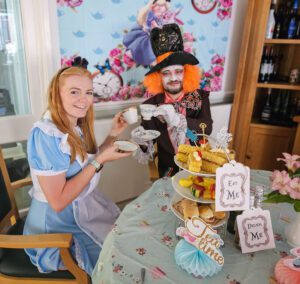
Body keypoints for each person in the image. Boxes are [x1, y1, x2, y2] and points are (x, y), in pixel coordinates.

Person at [23, 58, 131, 276]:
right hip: (54, 227)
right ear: (56, 95)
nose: (84, 100)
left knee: (125, 242)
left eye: (89, 92)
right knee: (116, 263)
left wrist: (113, 134)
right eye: (74, 92)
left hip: (77, 210)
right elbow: (58, 201)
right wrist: (100, 162)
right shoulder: (46, 134)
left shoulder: (72, 123)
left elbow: (84, 164)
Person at [132, 23, 213, 177]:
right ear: (158, 77)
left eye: (178, 71)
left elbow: (206, 128)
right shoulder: (150, 106)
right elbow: (148, 142)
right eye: (166, 73)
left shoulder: (201, 97)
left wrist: (178, 119)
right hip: (168, 171)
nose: (174, 78)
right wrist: (140, 140)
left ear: (187, 73)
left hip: (199, 166)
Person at [123, 0, 182, 67]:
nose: (161, 9)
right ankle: (147, 58)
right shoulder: (151, 15)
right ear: (153, 6)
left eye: (164, 7)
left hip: (157, 36)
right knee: (145, 45)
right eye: (159, 6)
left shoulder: (162, 18)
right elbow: (151, 25)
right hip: (149, 35)